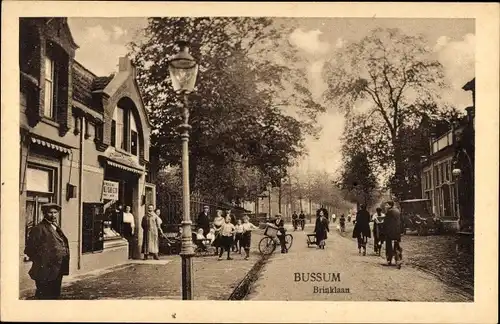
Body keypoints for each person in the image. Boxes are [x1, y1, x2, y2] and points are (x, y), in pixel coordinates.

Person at [24, 203, 70, 299]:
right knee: (44, 295)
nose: (53, 215)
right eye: (50, 212)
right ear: (44, 213)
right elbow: (29, 250)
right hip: (45, 271)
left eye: (55, 212)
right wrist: (43, 261)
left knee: (55, 294)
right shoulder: (39, 228)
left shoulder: (56, 227)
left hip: (57, 269)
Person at [384, 201, 403, 268]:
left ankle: (389, 259)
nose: (386, 207)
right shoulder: (397, 211)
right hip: (397, 232)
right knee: (397, 244)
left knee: (388, 245)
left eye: (387, 205)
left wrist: (384, 230)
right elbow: (401, 221)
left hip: (390, 232)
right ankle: (399, 257)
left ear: (390, 205)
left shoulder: (389, 212)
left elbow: (386, 222)